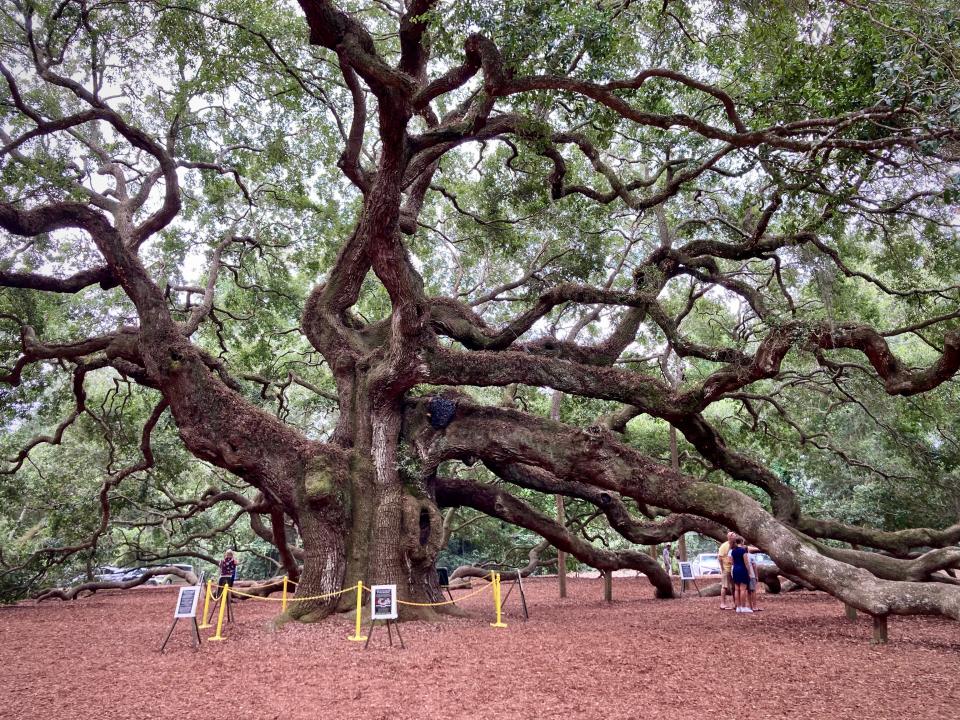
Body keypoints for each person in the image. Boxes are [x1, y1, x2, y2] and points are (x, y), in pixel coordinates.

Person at [730, 537, 753, 613]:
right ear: (742, 542)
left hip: (735, 570)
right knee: (743, 589)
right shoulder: (743, 551)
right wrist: (749, 572)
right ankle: (743, 607)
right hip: (742, 570)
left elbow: (732, 562)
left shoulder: (733, 551)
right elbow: (746, 563)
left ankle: (738, 607)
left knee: (737, 589)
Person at [717, 531, 737, 609]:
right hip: (726, 569)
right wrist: (722, 568)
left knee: (734, 586)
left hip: (734, 569)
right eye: (733, 535)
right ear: (729, 537)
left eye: (735, 535)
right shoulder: (724, 546)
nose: (734, 537)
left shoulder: (735, 545)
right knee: (724, 586)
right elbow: (719, 558)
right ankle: (722, 603)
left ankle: (736, 603)